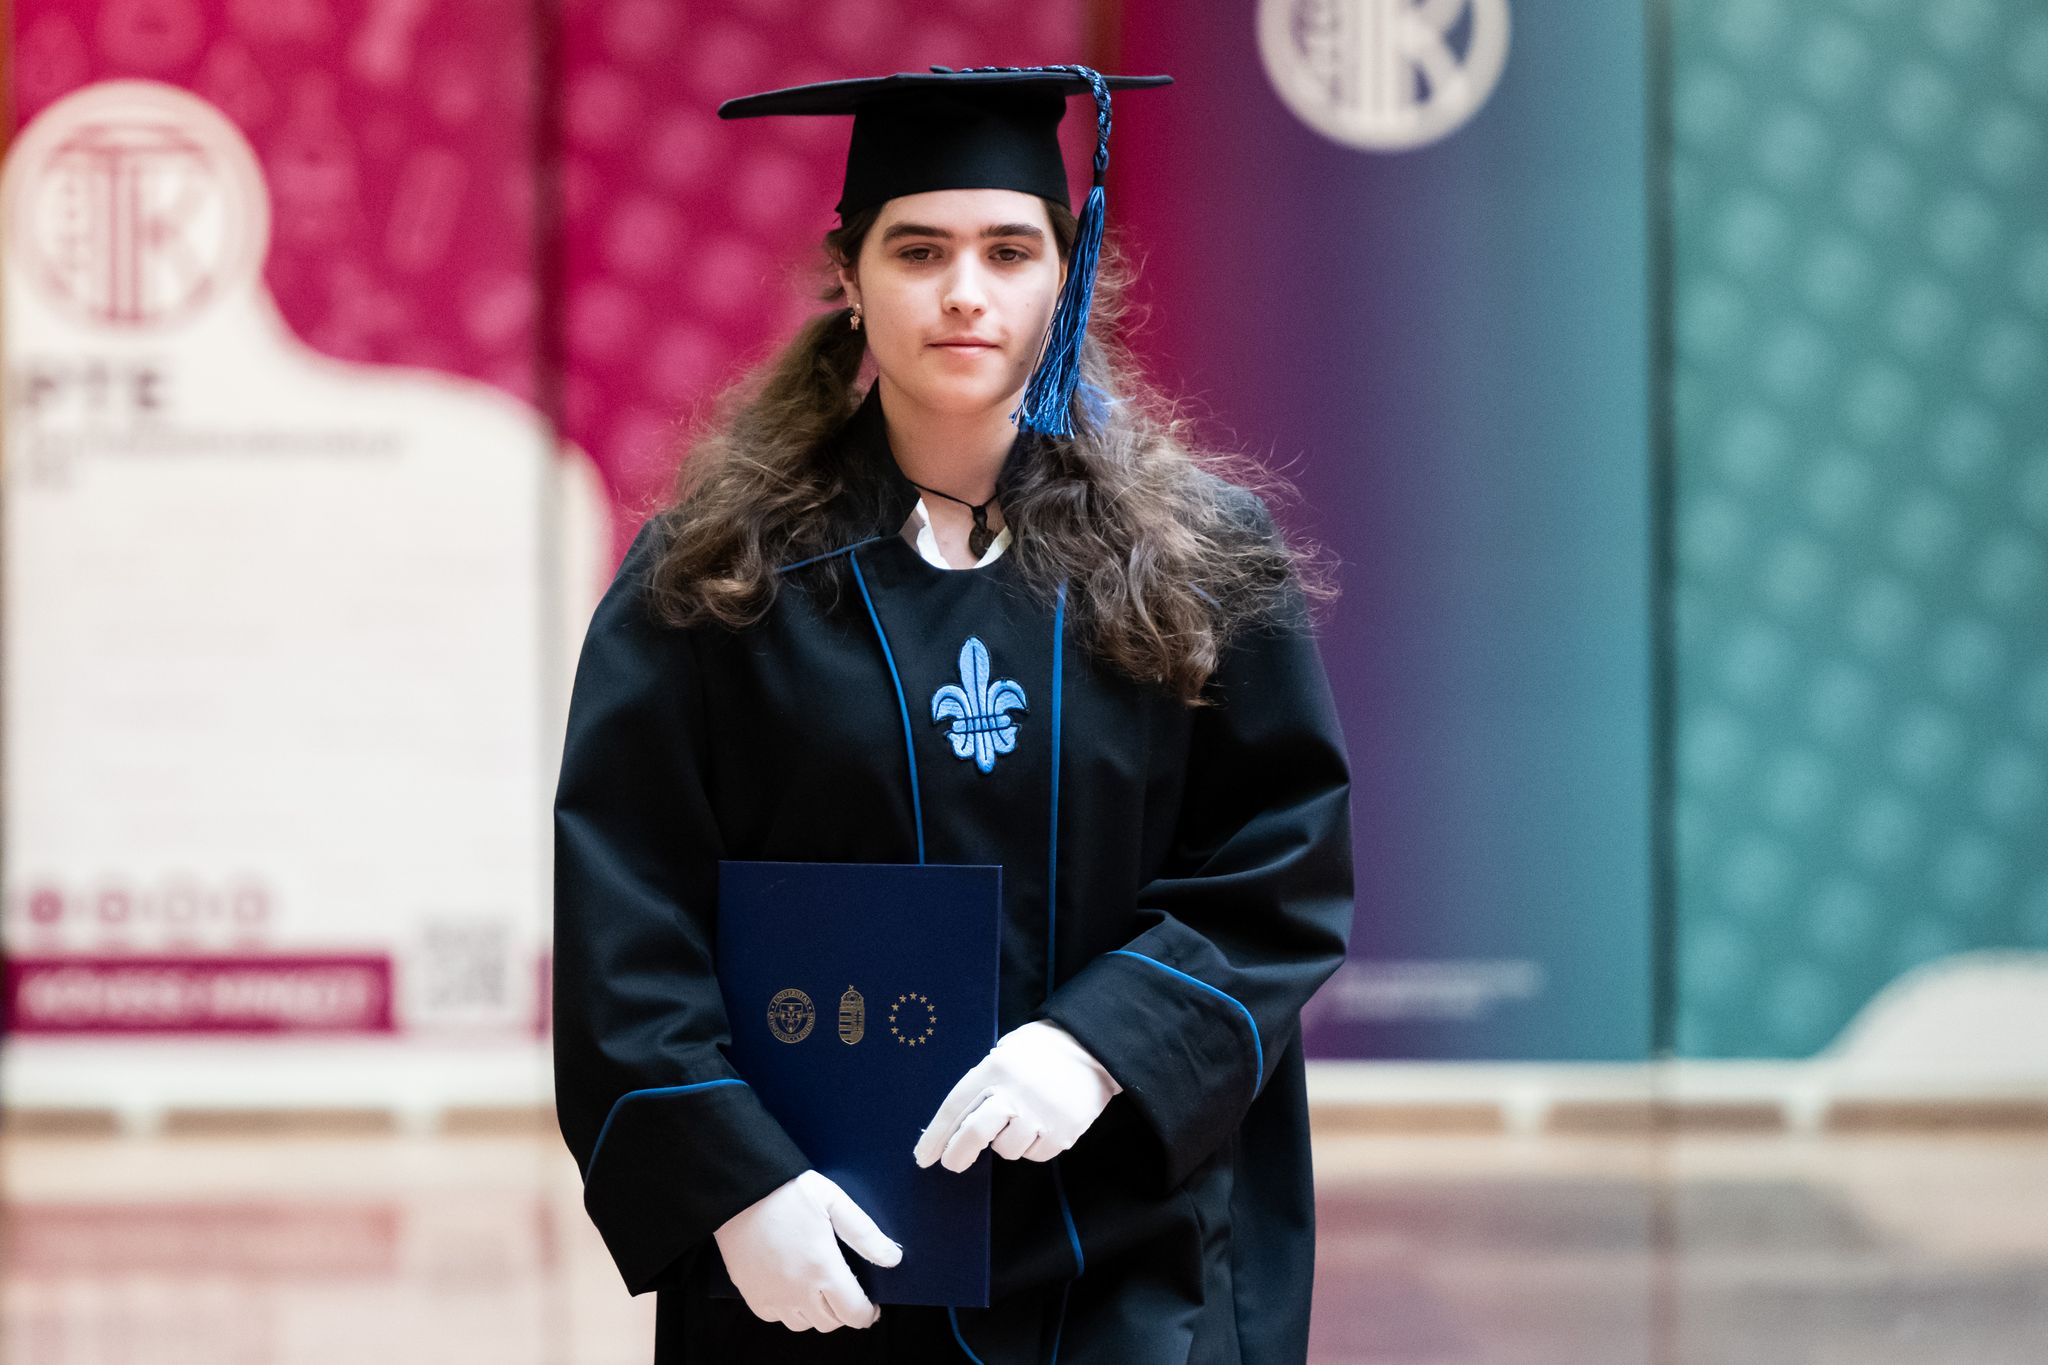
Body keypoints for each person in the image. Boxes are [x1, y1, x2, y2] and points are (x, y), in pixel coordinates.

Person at [552, 64, 1356, 1364]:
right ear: (850, 276)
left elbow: (1279, 864)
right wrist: (733, 1184)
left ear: (1067, 275)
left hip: (1125, 1240)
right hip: (827, 1243)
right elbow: (629, 914)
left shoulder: (1200, 560)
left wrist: (1102, 1043)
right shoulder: (714, 579)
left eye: (1009, 251)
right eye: (919, 250)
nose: (966, 291)